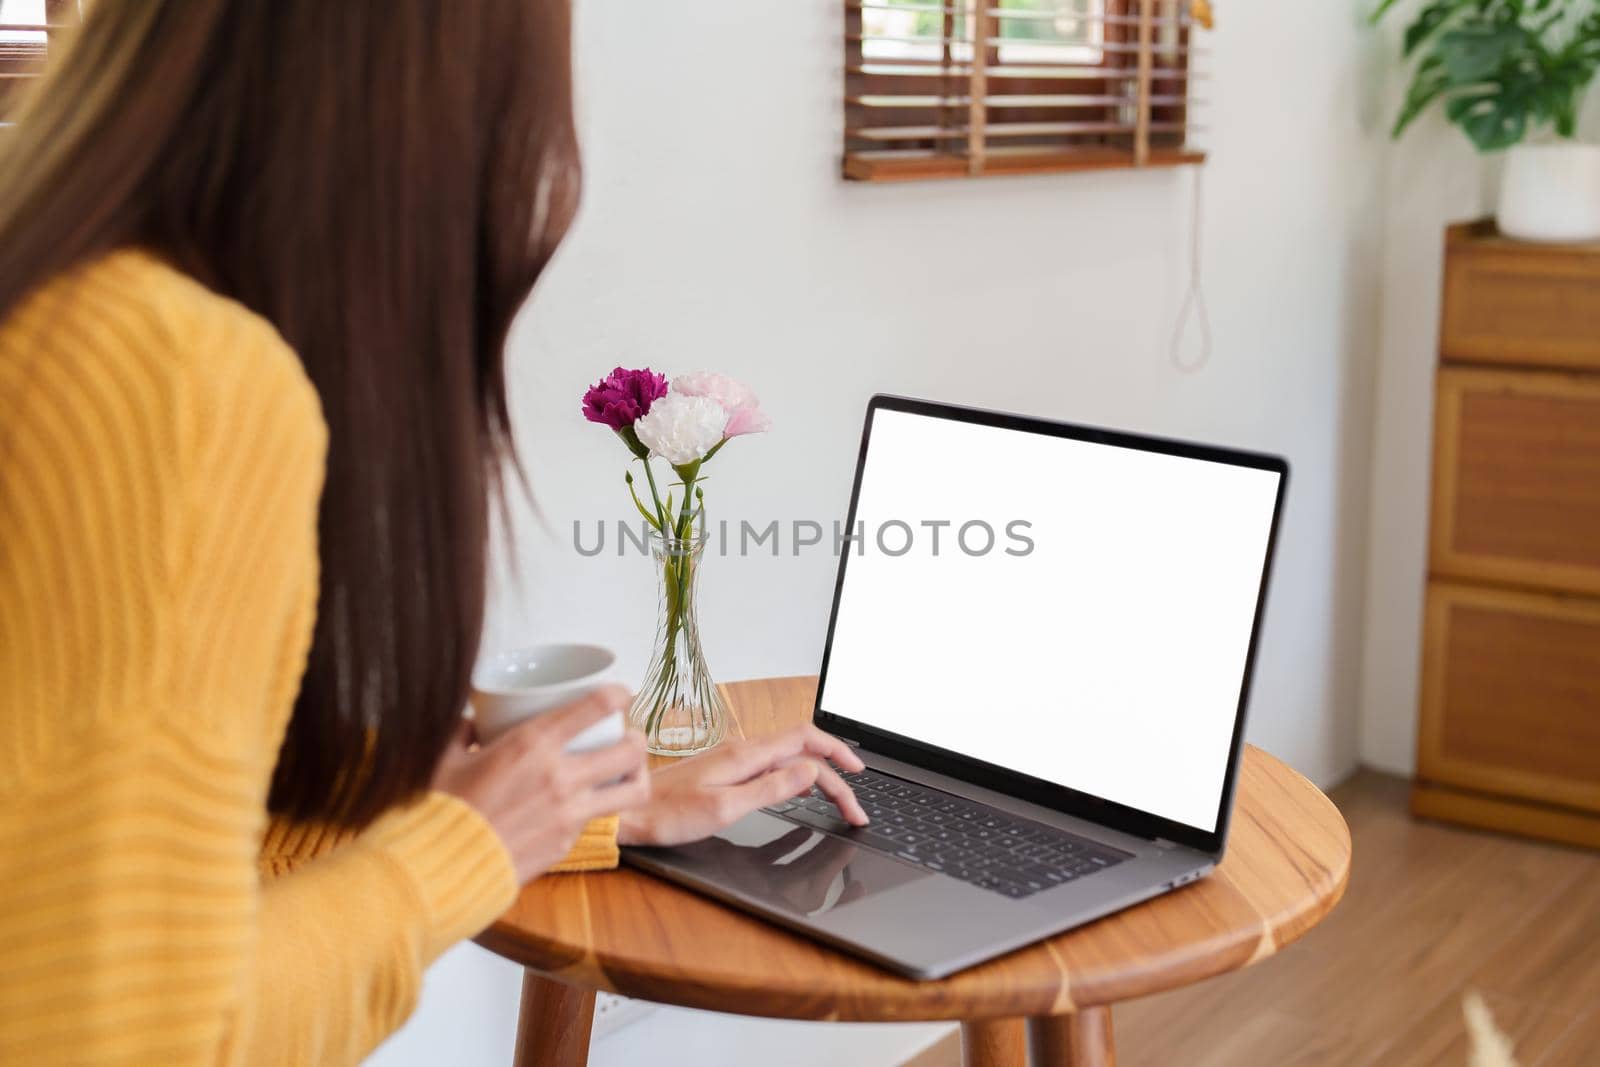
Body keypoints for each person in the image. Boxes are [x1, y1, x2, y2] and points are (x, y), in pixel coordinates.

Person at [0, 3, 867, 1064]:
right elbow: (130, 1037)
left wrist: (574, 807)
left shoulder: (58, 293)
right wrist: (468, 843)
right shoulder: (170, 376)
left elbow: (125, 875)